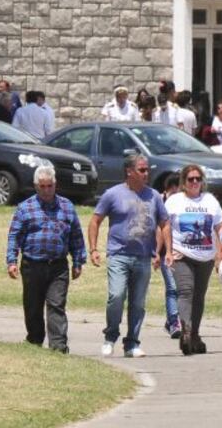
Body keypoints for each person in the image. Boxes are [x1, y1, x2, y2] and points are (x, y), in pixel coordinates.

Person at [88, 153, 172, 358]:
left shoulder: (154, 196)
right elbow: (95, 221)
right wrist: (93, 249)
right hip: (119, 254)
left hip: (143, 257)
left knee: (138, 303)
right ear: (129, 171)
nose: (146, 173)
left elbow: (165, 224)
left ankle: (132, 343)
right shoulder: (112, 194)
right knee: (116, 296)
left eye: (147, 170)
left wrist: (167, 251)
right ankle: (110, 336)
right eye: (142, 170)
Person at [6, 166, 86, 354]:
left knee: (56, 305)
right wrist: (11, 261)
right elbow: (14, 236)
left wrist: (78, 261)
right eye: (42, 186)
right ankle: (34, 340)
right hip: (32, 265)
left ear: (55, 185)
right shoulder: (25, 208)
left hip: (58, 266)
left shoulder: (66, 207)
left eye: (50, 186)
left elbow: (76, 236)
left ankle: (58, 346)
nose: (46, 190)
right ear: (36, 186)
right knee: (33, 305)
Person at [165, 164, 222, 355]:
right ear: (183, 182)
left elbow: (220, 226)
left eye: (198, 179)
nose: (194, 182)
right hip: (181, 254)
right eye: (190, 179)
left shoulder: (210, 200)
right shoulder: (174, 201)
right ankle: (185, 330)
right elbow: (164, 226)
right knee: (186, 291)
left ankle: (194, 334)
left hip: (205, 256)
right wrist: (165, 251)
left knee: (199, 296)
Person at [158, 173, 182, 340]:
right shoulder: (159, 203)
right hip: (164, 253)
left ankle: (170, 321)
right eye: (173, 192)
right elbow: (156, 229)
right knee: (172, 287)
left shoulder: (184, 204)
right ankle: (174, 322)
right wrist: (155, 252)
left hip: (182, 253)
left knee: (183, 289)